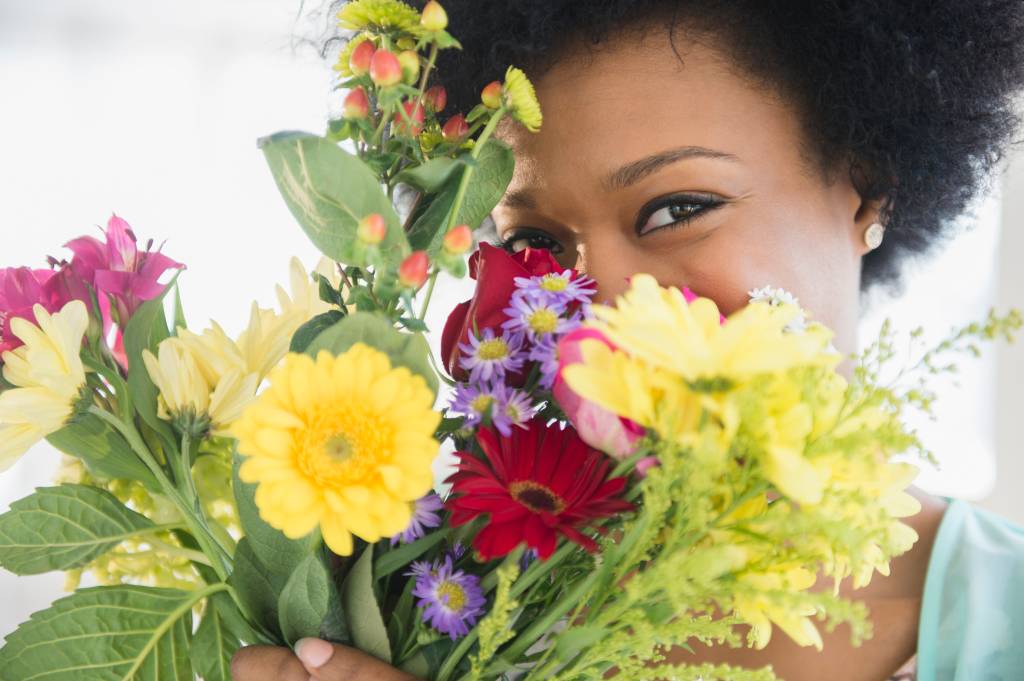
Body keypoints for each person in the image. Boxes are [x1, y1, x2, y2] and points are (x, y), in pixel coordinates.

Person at [231, 1, 1024, 679]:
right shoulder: (433, 608)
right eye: (537, 240)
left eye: (677, 210)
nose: (598, 305)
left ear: (866, 186)